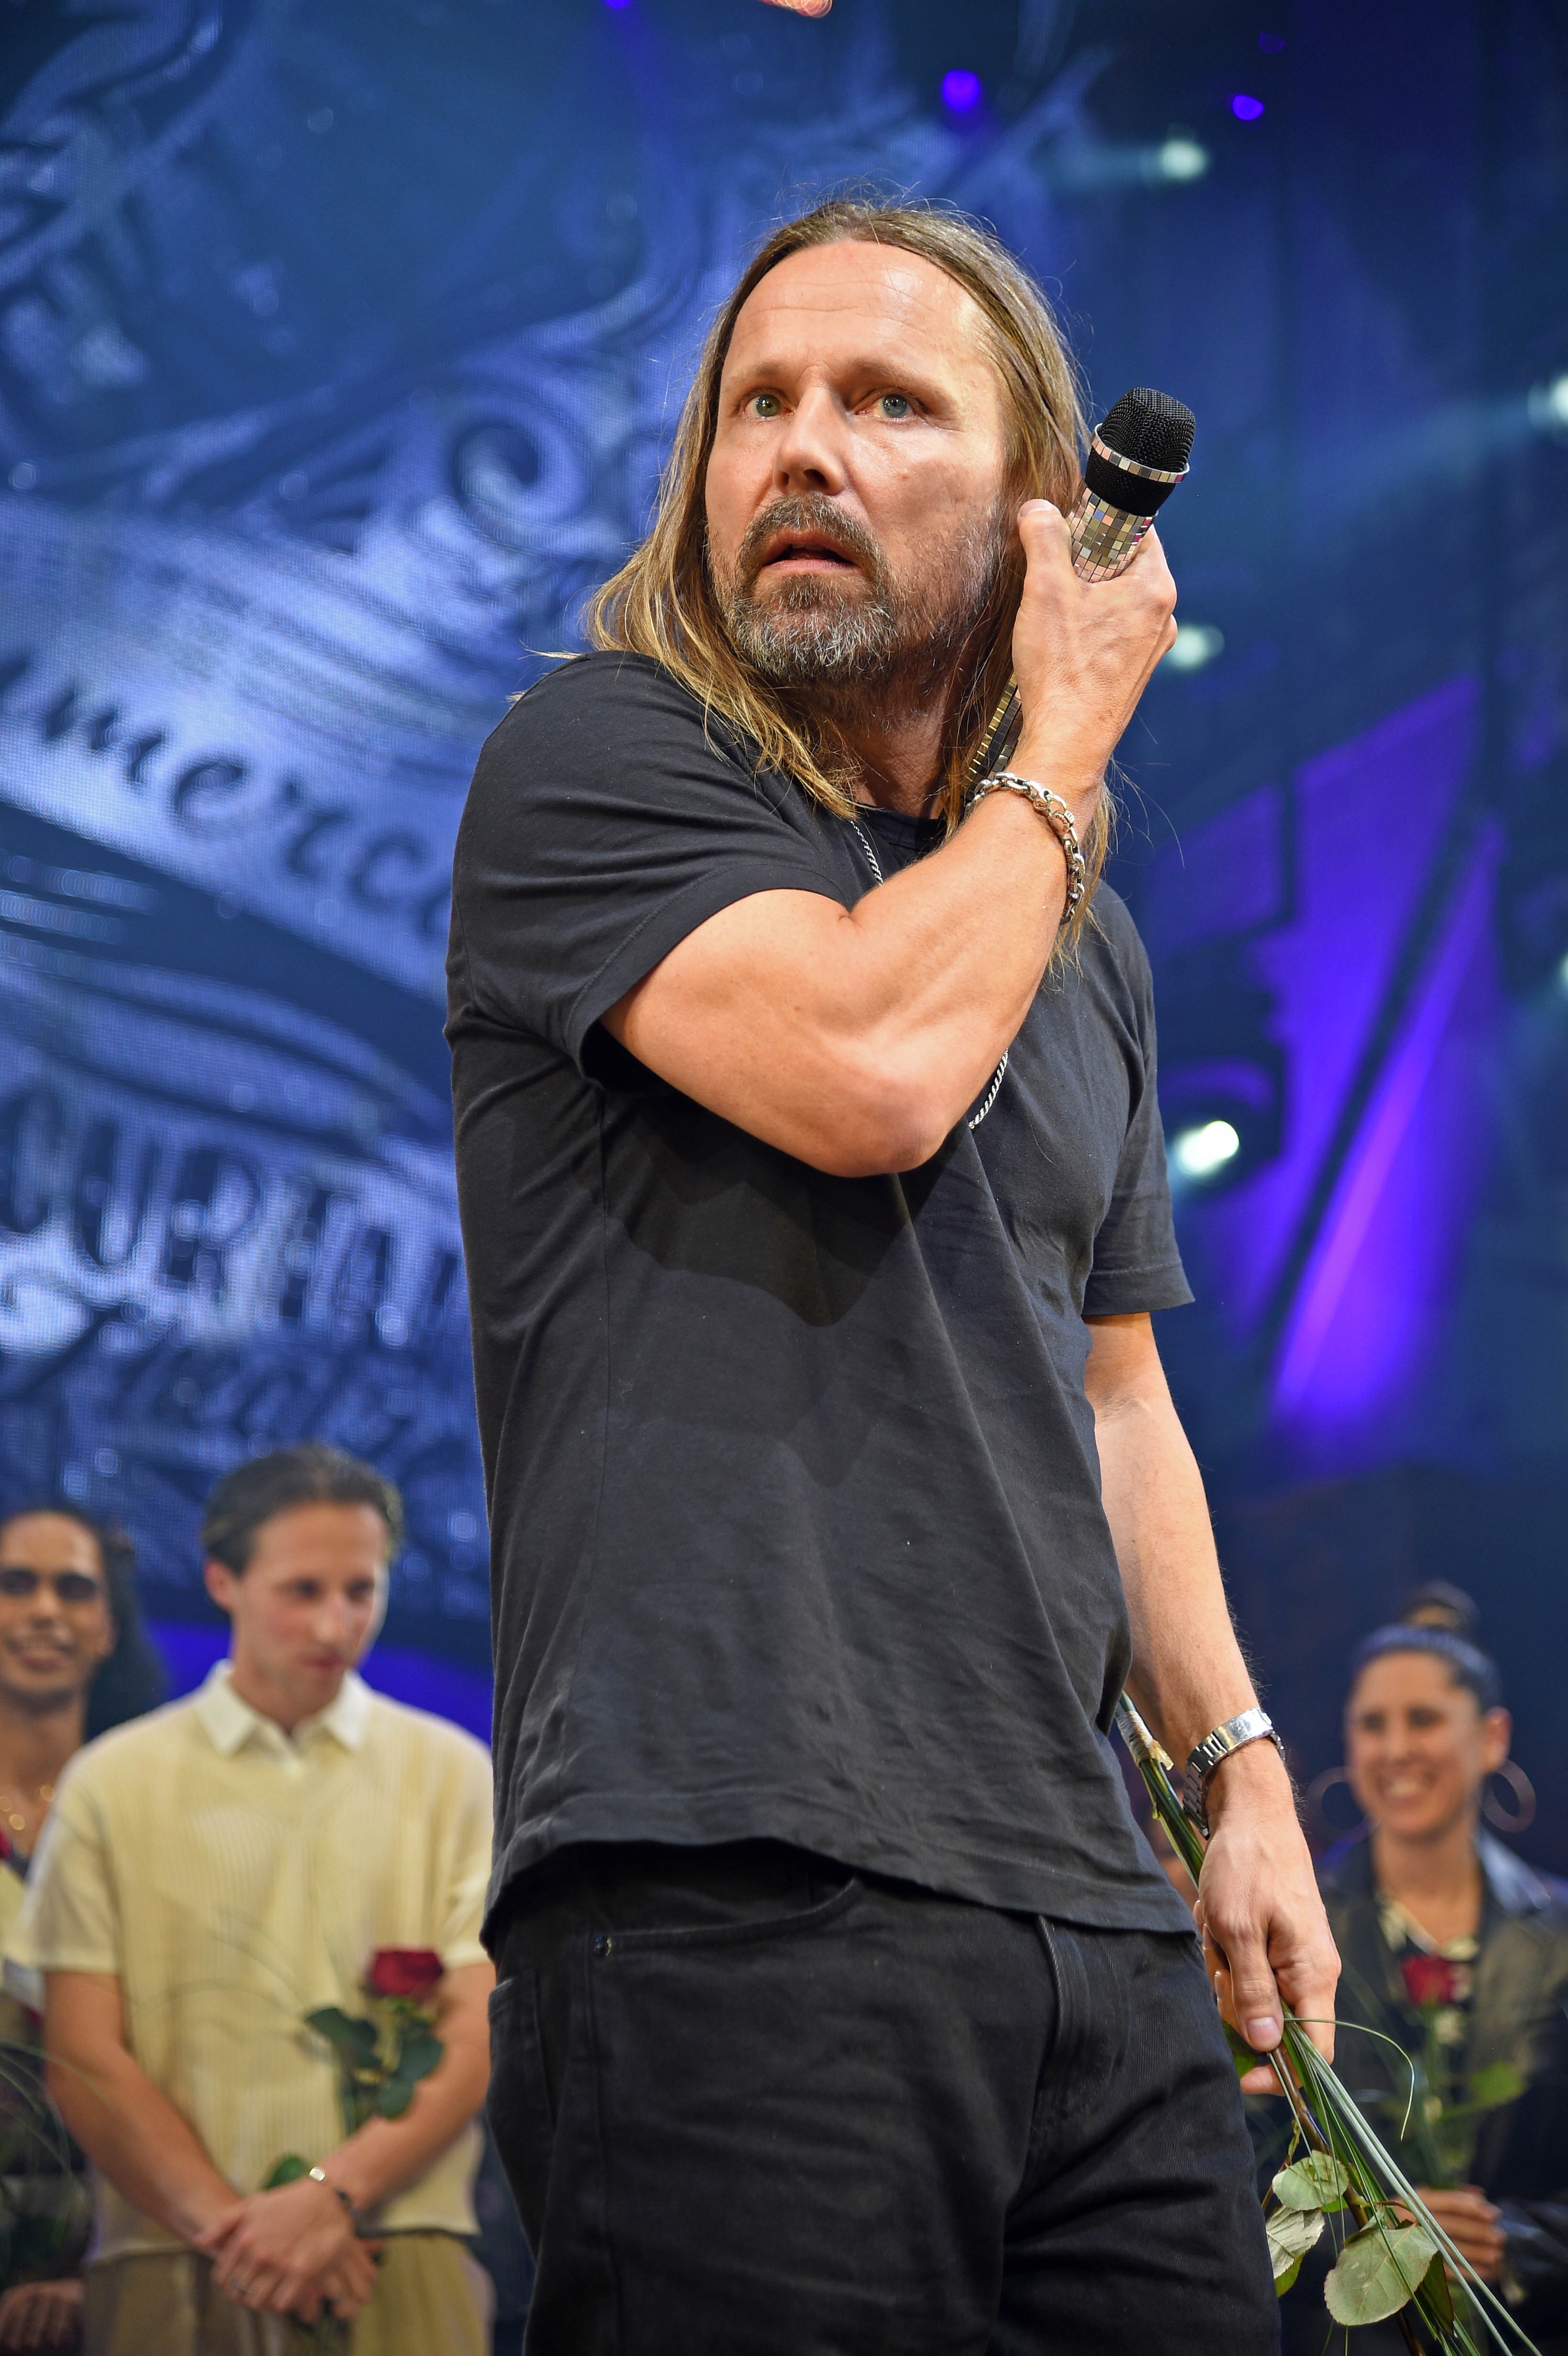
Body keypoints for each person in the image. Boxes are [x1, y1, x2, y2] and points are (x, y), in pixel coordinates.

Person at [448, 196, 1339, 2354]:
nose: (801, 451)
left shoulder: (1077, 938)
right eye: (758, 406)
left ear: (1046, 514)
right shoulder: (595, 763)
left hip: (1082, 1911)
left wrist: (1238, 1772)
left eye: (881, 402)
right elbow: (868, 1065)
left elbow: (1114, 1392)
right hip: (723, 1875)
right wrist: (1067, 742)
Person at [6, 1445, 496, 2356]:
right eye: (303, 1591)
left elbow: (474, 2030)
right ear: (222, 1580)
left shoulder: (453, 1774)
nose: (338, 1623)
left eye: (362, 1589)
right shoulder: (116, 1782)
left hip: (399, 2246)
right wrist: (246, 2231)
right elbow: (81, 2052)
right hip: (171, 2250)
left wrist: (333, 2196)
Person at [1276, 1600, 1568, 2354]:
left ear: (1493, 1737)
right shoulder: (1291, 1926)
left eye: (1425, 1719)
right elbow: (1235, 2154)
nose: (1396, 1748)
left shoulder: (1561, 1936)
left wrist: (1517, 2243)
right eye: (1373, 1725)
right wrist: (1375, 2227)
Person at [0, 1505, 164, 2353]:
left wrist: (107, 2264)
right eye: (15, 1584)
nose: (44, 1612)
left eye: (74, 1589)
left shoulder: (154, 1819)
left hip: (120, 2263)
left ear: (108, 1626)